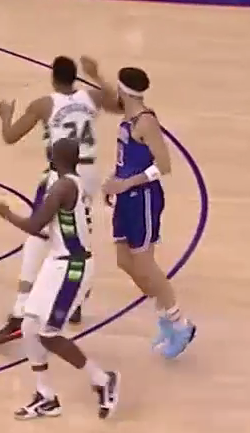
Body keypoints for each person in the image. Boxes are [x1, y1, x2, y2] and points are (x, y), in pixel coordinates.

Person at [0, 137, 118, 420]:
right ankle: (46, 396)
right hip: (57, 261)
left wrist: (7, 214)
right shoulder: (69, 184)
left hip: (73, 266)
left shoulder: (63, 187)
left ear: (54, 158)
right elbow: (46, 229)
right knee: (29, 326)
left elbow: (35, 224)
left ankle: (102, 379)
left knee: (49, 334)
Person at [80, 58, 194, 358]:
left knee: (145, 265)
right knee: (124, 261)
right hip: (126, 196)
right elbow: (111, 105)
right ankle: (166, 315)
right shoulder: (128, 115)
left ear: (124, 91)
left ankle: (180, 323)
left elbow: (163, 166)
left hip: (143, 198)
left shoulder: (145, 122)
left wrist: (126, 183)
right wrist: (114, 180)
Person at [0, 56, 100, 345]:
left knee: (37, 238)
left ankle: (19, 313)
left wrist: (5, 115)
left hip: (61, 173)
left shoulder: (43, 104)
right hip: (89, 173)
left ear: (53, 76)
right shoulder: (91, 98)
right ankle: (75, 301)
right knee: (78, 230)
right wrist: (97, 75)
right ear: (76, 76)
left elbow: (10, 136)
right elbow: (120, 102)